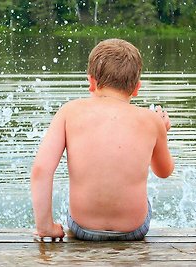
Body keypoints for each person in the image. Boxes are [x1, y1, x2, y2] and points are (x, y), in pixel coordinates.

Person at [31, 38, 174, 241]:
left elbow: (41, 170)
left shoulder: (69, 111)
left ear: (91, 82)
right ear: (136, 88)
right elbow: (164, 171)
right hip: (133, 230)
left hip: (83, 229)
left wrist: (46, 226)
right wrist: (161, 132)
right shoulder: (151, 120)